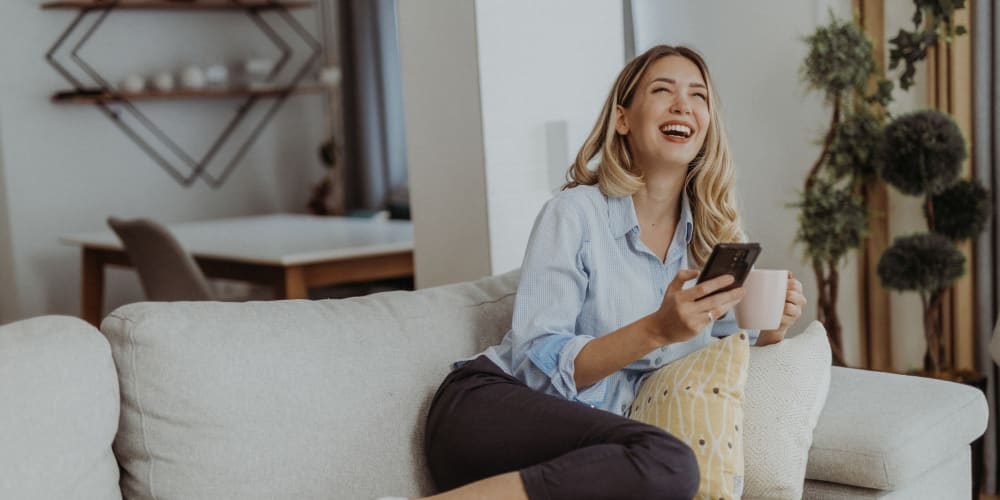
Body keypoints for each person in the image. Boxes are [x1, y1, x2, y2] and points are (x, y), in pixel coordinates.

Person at [400, 44, 806, 500]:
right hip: (487, 412)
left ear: (708, 126)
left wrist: (775, 328)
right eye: (663, 90)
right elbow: (538, 356)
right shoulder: (574, 214)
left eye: (698, 96)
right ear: (622, 119)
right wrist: (657, 329)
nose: (683, 105)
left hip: (589, 450)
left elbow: (732, 346)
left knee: (659, 470)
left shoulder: (710, 239)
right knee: (667, 460)